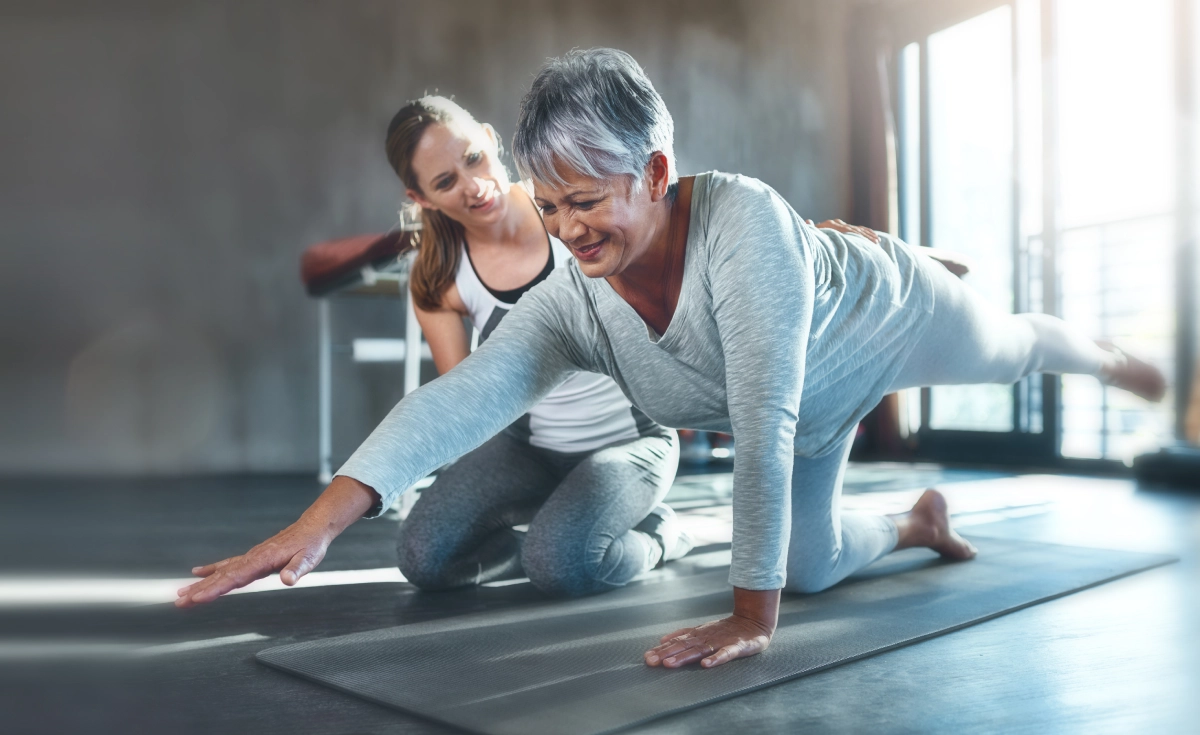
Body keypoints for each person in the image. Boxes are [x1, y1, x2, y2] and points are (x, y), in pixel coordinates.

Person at [182, 48, 1164, 672]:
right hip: (814, 408)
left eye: (590, 202)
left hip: (884, 320)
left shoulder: (743, 231)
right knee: (813, 566)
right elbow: (470, 392)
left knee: (1008, 350)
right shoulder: (572, 294)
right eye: (552, 205)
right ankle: (918, 519)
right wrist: (313, 527)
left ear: (655, 172)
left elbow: (762, 417)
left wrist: (747, 616)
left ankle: (1104, 350)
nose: (569, 230)